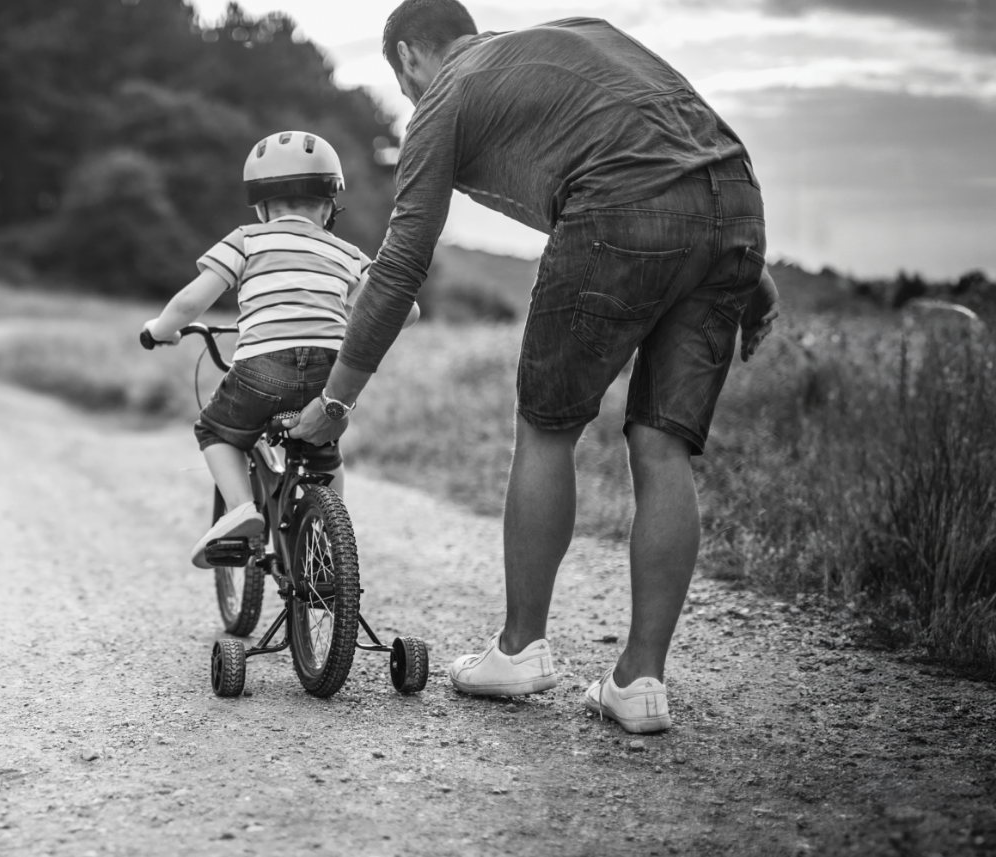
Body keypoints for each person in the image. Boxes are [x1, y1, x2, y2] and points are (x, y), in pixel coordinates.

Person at [289, 0, 781, 734]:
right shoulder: (581, 34)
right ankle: (640, 680)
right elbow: (680, 149)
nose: (408, 98)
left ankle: (519, 650)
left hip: (623, 205)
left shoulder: (445, 93)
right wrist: (749, 272)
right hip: (738, 202)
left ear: (407, 60)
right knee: (662, 443)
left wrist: (335, 401)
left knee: (547, 428)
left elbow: (400, 267)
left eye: (402, 85)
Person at [142, 131, 419, 569]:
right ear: (329, 205)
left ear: (261, 206)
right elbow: (408, 310)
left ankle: (240, 511)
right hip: (330, 375)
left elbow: (191, 302)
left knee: (216, 432)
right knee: (324, 456)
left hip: (262, 368)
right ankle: (327, 543)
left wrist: (161, 328)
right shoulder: (347, 253)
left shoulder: (246, 240)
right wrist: (348, 316)